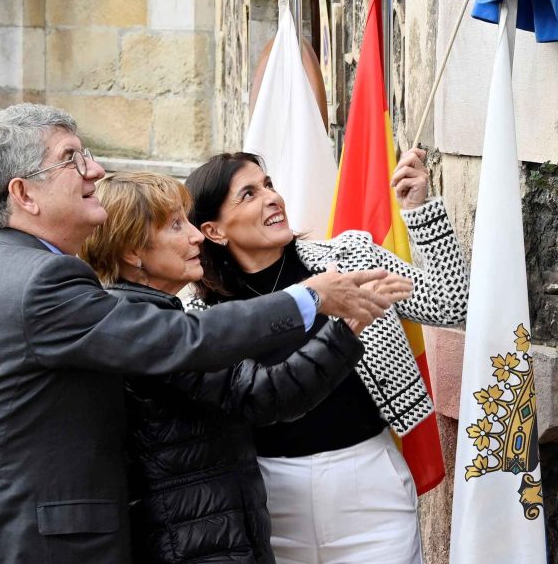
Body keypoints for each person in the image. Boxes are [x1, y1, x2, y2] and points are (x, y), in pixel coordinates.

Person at [0, 103, 400, 564]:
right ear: (23, 194)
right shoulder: (41, 281)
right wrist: (312, 298)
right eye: (71, 159)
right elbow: (190, 342)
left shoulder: (10, 265)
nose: (95, 170)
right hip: (15, 540)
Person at [81, 171, 407, 564]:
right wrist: (347, 326)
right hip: (196, 540)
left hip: (214, 528)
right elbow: (265, 394)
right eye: (175, 225)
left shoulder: (143, 315)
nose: (195, 236)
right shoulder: (148, 328)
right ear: (133, 252)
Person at [185, 149, 470, 564]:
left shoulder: (348, 257)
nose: (271, 197)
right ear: (213, 231)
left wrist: (418, 211)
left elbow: (451, 303)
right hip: (267, 497)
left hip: (370, 485)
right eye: (248, 194)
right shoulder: (203, 316)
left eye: (268, 185)